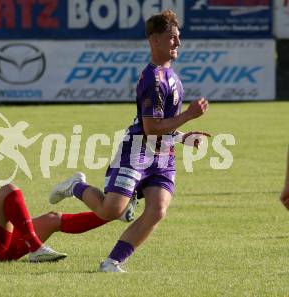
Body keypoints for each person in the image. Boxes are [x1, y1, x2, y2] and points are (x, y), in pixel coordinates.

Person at [49, 10, 210, 272]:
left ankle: (112, 262)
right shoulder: (153, 80)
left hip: (162, 156)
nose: (178, 43)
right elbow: (151, 128)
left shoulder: (173, 79)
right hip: (136, 153)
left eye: (179, 37)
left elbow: (164, 126)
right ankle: (76, 186)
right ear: (154, 40)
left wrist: (182, 138)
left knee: (158, 210)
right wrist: (190, 117)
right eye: (172, 38)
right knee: (110, 211)